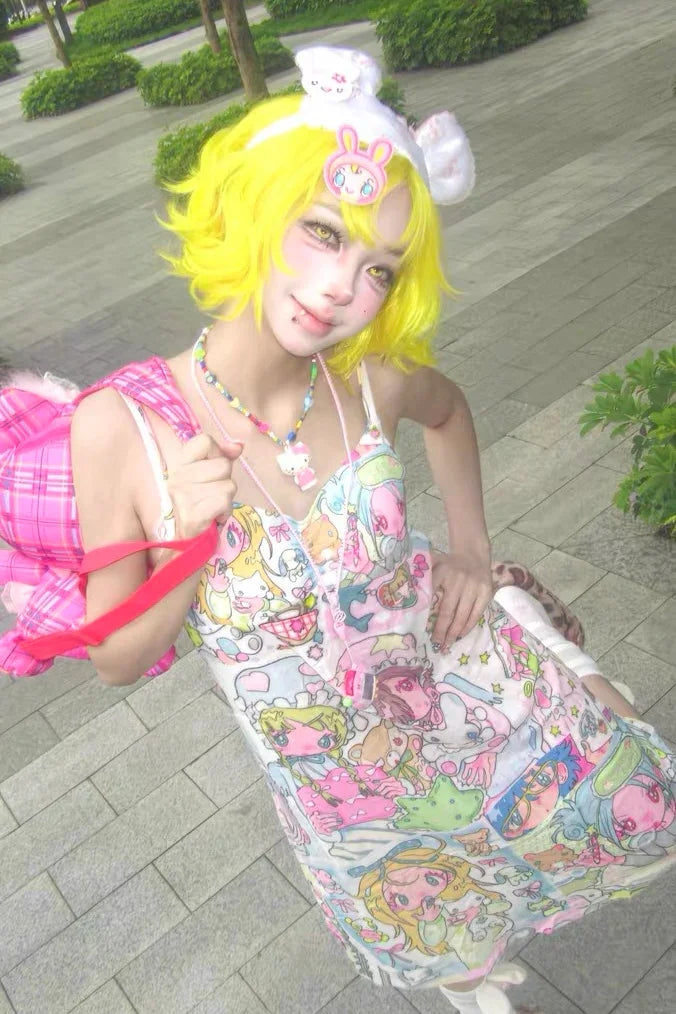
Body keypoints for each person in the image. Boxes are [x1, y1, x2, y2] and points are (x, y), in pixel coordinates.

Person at [69, 46, 675, 1014]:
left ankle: (536, 638)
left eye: (377, 270)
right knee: (439, 928)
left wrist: (472, 550)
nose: (337, 288)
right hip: (340, 787)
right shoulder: (120, 427)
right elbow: (113, 657)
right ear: (257, 210)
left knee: (632, 795)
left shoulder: (363, 377)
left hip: (454, 683)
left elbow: (449, 410)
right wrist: (185, 543)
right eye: (321, 232)